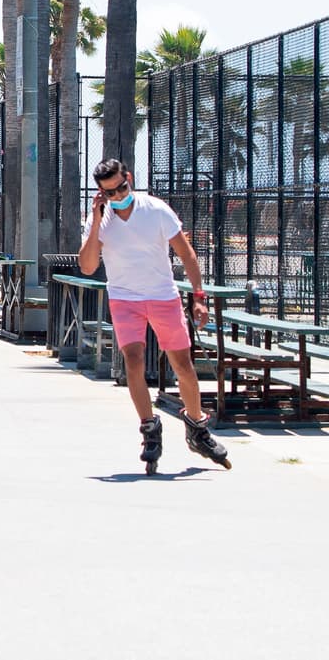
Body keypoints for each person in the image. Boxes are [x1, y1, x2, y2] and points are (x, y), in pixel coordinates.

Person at [78, 158, 230, 471]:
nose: (119, 196)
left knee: (183, 365)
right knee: (133, 360)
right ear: (101, 194)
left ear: (129, 178)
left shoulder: (156, 209)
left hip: (163, 296)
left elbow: (186, 253)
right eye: (111, 193)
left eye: (122, 187)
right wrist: (95, 220)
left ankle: (197, 427)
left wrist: (198, 296)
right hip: (125, 299)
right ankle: (149, 429)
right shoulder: (102, 220)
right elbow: (89, 266)